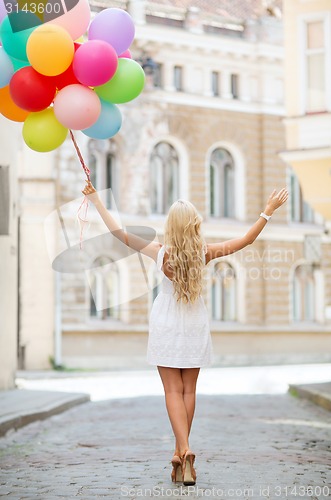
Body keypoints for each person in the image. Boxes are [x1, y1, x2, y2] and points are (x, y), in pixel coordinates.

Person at [82, 180, 288, 486]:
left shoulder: (158, 251)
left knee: (171, 391)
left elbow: (119, 233)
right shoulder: (204, 252)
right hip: (194, 321)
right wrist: (267, 212)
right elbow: (245, 240)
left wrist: (98, 201)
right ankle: (181, 453)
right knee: (189, 391)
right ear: (194, 225)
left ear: (170, 226)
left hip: (166, 321)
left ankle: (185, 449)